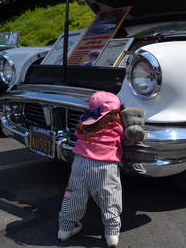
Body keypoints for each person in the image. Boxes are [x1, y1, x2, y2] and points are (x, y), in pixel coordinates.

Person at [58, 91, 146, 247]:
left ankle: (64, 230)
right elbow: (130, 140)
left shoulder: (84, 122)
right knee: (109, 197)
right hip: (106, 167)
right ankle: (111, 234)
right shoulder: (117, 125)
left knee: (74, 195)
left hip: (80, 163)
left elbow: (77, 134)